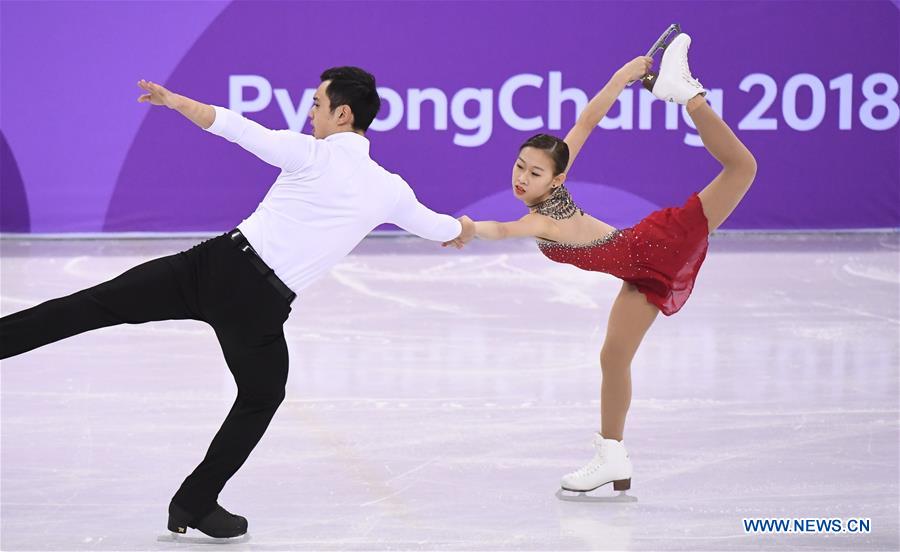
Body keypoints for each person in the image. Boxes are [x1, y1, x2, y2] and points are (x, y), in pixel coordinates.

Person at [0, 66, 475, 538]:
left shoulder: (310, 154)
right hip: (260, 305)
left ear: (343, 113)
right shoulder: (389, 188)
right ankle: (195, 501)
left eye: (316, 104)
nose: (311, 114)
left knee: (94, 305)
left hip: (212, 268)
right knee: (262, 395)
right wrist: (464, 230)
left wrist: (177, 102)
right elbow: (440, 228)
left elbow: (236, 128)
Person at [444, 33, 757, 494]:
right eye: (519, 167)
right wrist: (621, 78)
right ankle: (612, 456)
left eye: (534, 172)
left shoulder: (542, 220)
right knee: (613, 357)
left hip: (659, 248)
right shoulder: (550, 194)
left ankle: (689, 94)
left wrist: (471, 227)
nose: (522, 177)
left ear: (556, 179)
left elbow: (506, 228)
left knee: (742, 168)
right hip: (639, 267)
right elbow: (586, 122)